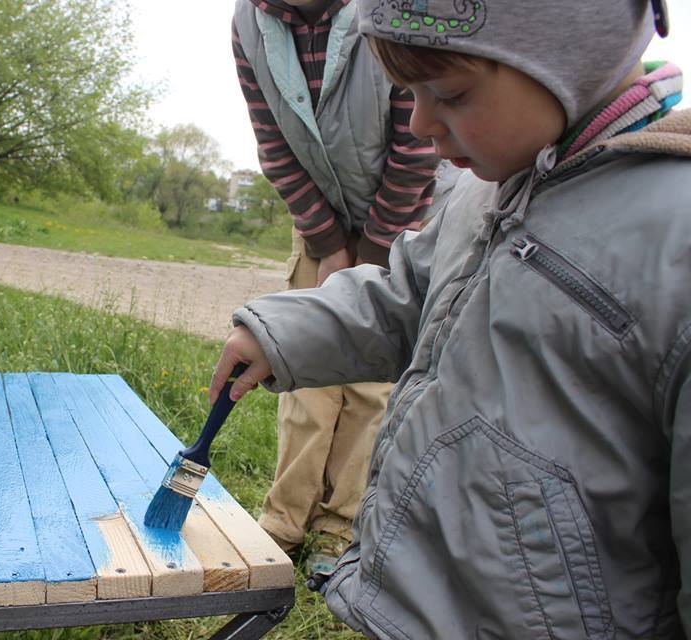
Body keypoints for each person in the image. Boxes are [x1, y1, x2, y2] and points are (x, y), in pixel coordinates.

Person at [213, 0, 690, 636]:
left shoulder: (673, 244)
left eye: (451, 94)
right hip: (419, 607)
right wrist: (283, 333)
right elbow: (403, 295)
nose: (418, 124)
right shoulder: (482, 191)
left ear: (566, 57)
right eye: (408, 93)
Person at [231, 0, 451, 572]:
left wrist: (374, 254)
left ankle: (340, 526)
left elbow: (417, 145)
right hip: (323, 225)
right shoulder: (249, 24)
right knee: (301, 371)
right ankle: (282, 520)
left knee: (372, 387)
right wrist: (328, 245)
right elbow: (273, 144)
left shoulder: (395, 8)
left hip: (406, 220)